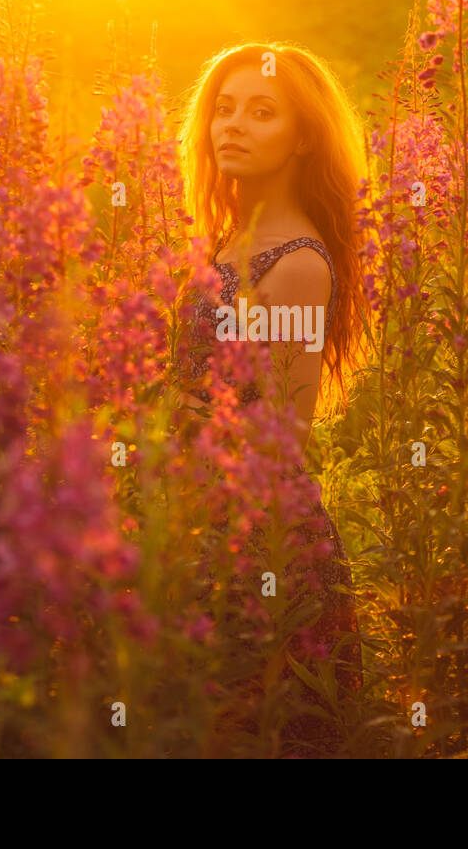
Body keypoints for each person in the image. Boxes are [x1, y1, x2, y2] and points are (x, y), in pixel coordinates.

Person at [171, 41, 370, 756]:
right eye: (222, 109)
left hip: (263, 547)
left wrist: (184, 424)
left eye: (261, 112)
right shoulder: (225, 243)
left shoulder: (296, 264)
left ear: (302, 136)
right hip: (201, 521)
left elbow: (285, 434)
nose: (233, 125)